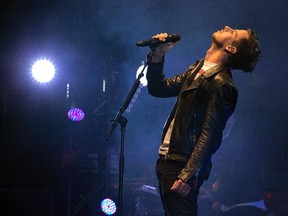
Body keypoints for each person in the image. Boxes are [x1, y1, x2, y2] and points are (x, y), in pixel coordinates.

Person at [146, 26, 261, 216]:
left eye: (233, 32)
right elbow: (158, 88)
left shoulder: (222, 83)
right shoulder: (198, 68)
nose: (227, 27)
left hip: (182, 165)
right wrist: (158, 54)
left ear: (231, 48)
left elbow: (210, 135)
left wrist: (188, 175)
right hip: (169, 160)